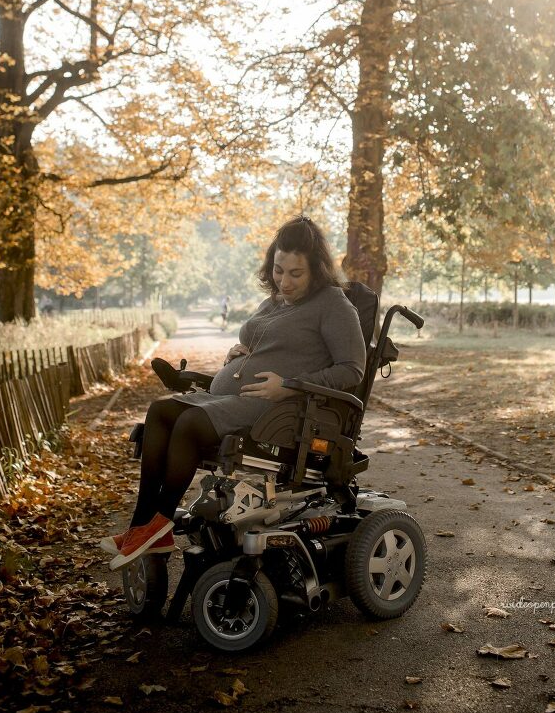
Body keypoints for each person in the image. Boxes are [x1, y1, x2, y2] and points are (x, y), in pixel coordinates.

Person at [102, 216, 366, 570]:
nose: (284, 282)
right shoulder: (275, 301)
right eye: (278, 270)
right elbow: (259, 341)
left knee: (191, 423)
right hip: (233, 397)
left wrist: (287, 386)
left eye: (295, 274)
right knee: (160, 411)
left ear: (316, 271)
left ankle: (158, 524)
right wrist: (238, 354)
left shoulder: (333, 304)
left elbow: (352, 370)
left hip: (278, 410)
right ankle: (143, 526)